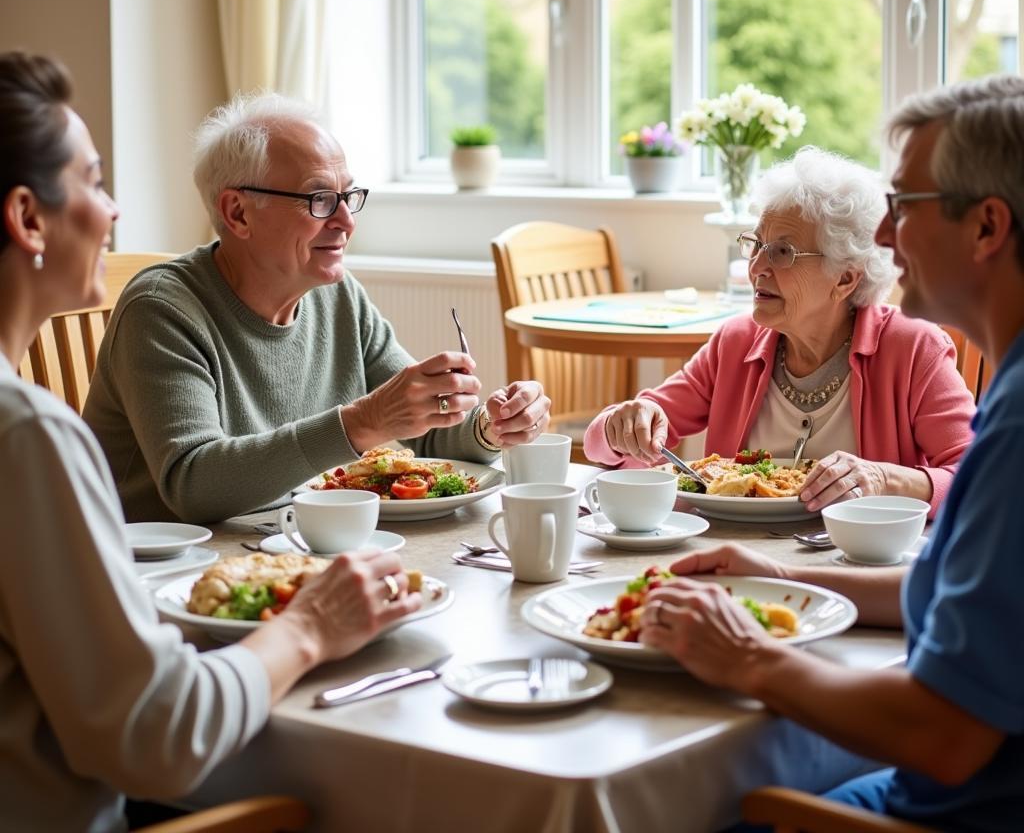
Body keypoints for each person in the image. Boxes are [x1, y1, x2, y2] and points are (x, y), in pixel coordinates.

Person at [0, 51, 422, 830]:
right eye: (94, 181)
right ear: (29, 218)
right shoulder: (26, 433)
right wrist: (309, 627)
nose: (115, 210)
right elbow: (154, 736)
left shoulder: (339, 298)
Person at [641, 74, 1024, 830]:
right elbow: (960, 595)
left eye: (903, 208)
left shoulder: (1013, 435)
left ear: (986, 227)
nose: (884, 238)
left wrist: (748, 657)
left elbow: (942, 735)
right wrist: (784, 574)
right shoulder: (1010, 393)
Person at [83, 92, 550, 524]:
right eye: (321, 199)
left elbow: (426, 430)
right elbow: (193, 484)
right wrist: (364, 421)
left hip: (290, 544)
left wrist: (492, 425)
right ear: (238, 213)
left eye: (348, 196)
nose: (346, 221)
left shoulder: (338, 297)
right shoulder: (162, 310)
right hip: (161, 573)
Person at [584, 146, 975, 515]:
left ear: (845, 279)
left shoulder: (912, 348)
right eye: (756, 244)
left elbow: (980, 479)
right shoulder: (736, 343)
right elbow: (604, 442)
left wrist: (883, 478)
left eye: (782, 252)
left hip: (854, 561)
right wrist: (626, 423)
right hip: (734, 552)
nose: (757, 267)